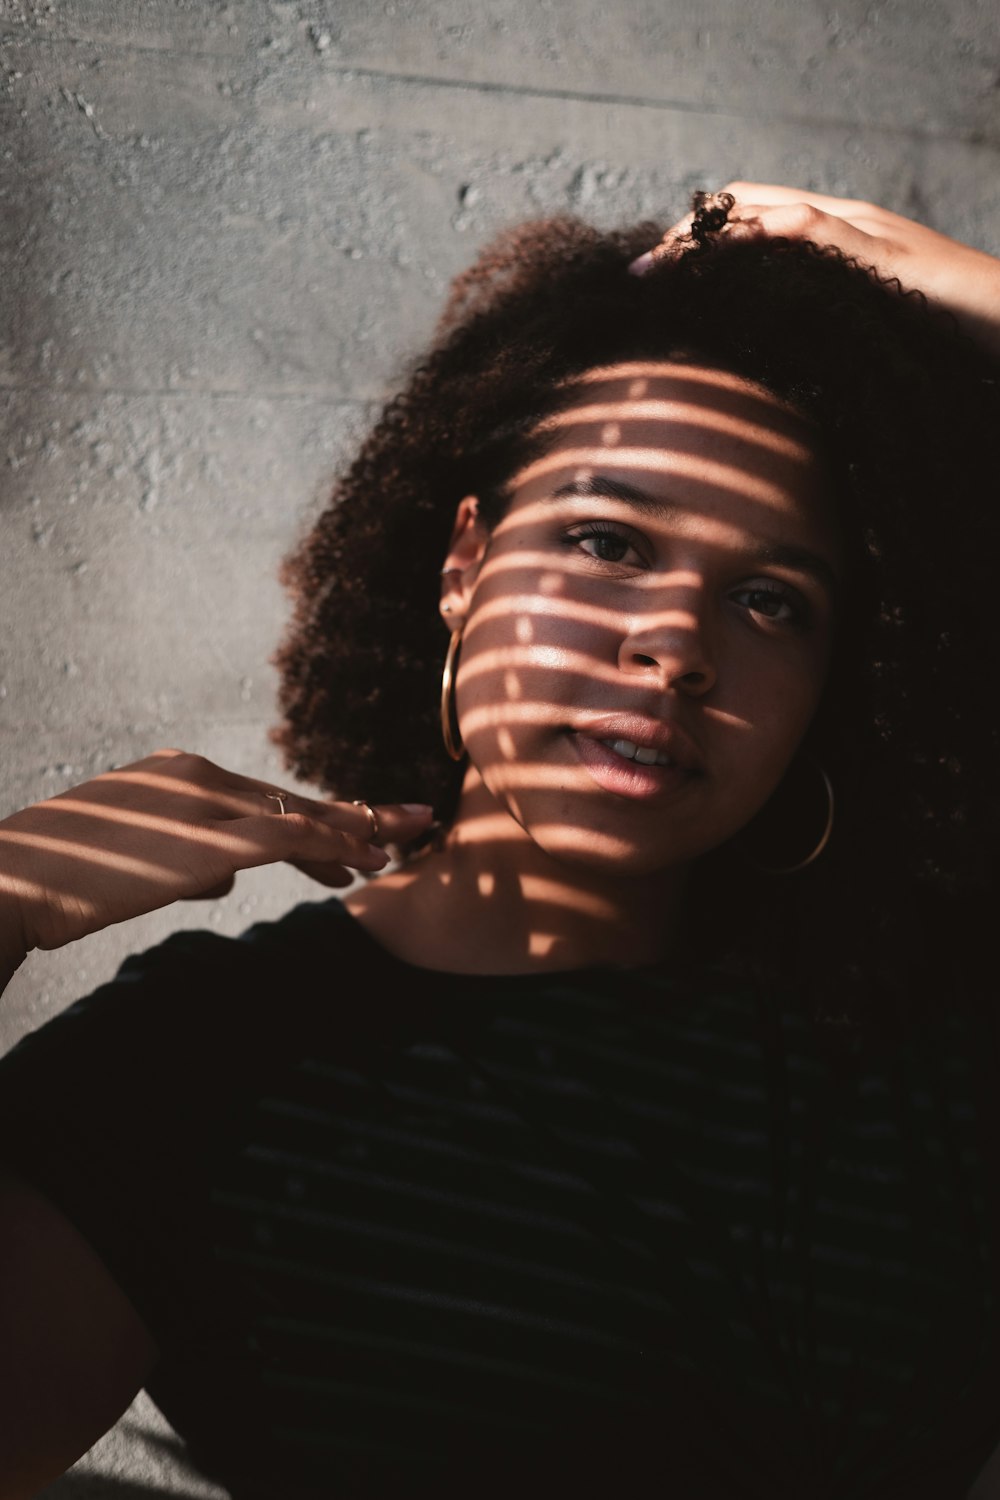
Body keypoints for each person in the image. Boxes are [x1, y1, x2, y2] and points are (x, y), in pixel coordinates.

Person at [0, 183, 999, 1500]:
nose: (677, 649)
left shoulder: (922, 1009)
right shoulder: (198, 1067)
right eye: (607, 543)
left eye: (771, 599)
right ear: (464, 562)